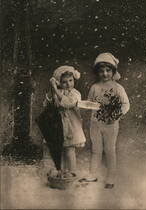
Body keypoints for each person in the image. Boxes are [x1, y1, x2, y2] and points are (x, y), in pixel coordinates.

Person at [83, 53, 130, 188]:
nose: (104, 74)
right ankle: (93, 174)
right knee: (96, 150)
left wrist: (116, 114)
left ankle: (111, 177)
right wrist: (82, 104)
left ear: (113, 71)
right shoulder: (94, 87)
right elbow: (90, 103)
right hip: (96, 124)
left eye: (108, 70)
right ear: (97, 72)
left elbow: (126, 104)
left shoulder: (118, 88)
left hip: (111, 124)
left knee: (109, 150)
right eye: (101, 71)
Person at [45, 65, 86, 178]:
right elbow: (49, 103)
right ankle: (61, 171)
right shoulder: (58, 92)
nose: (68, 84)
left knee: (69, 149)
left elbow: (67, 103)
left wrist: (56, 91)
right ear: (59, 83)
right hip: (58, 124)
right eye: (64, 82)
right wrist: (52, 88)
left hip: (70, 125)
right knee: (59, 149)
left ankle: (72, 172)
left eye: (70, 80)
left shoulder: (75, 93)